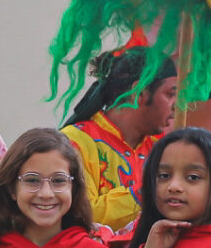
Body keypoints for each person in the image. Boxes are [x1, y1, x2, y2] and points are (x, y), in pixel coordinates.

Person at [60, 47, 180, 232]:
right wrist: (146, 193)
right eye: (170, 94)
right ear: (139, 93)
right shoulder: (76, 142)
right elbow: (82, 215)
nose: (176, 105)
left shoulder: (163, 150)